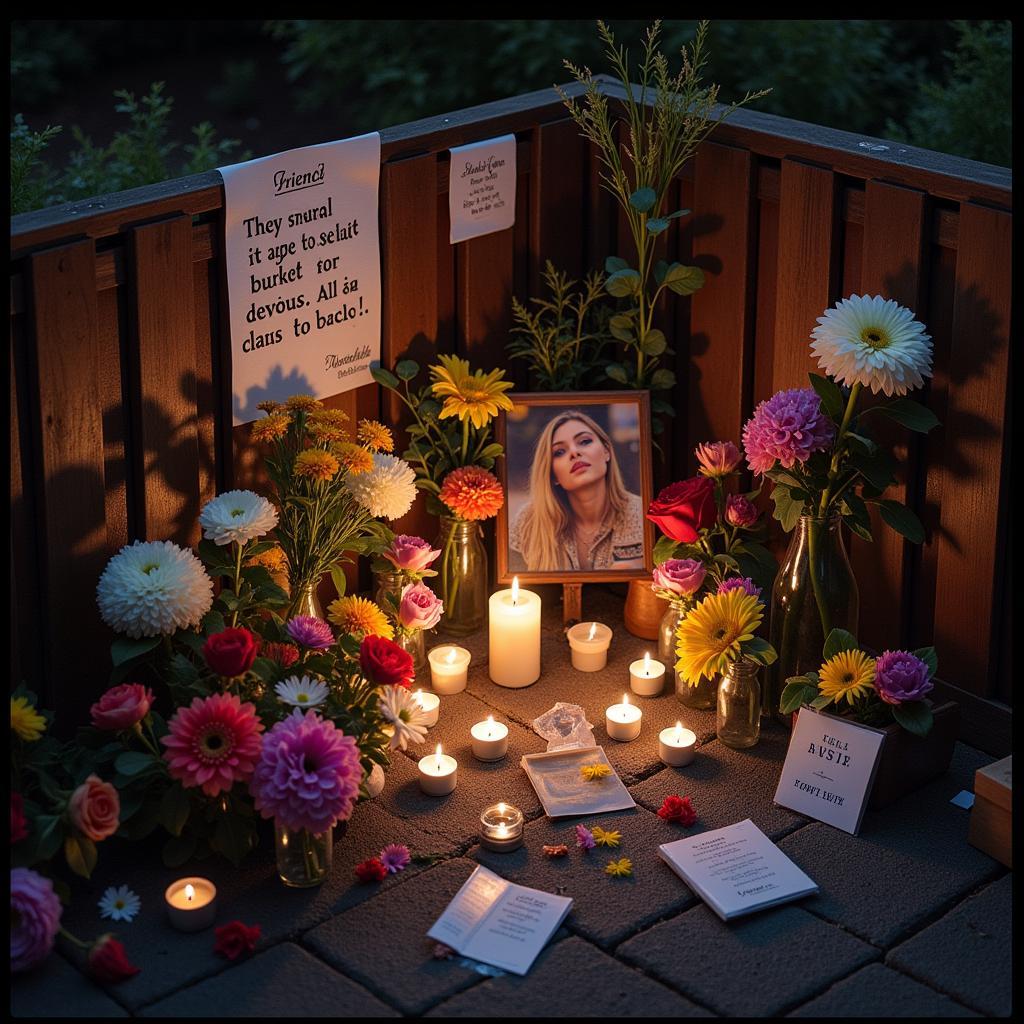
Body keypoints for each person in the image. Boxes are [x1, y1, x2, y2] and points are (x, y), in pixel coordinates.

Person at [508, 409, 645, 572]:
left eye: (585, 441)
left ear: (606, 451)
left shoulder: (639, 514)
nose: (574, 452)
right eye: (559, 452)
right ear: (553, 475)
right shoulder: (528, 521)